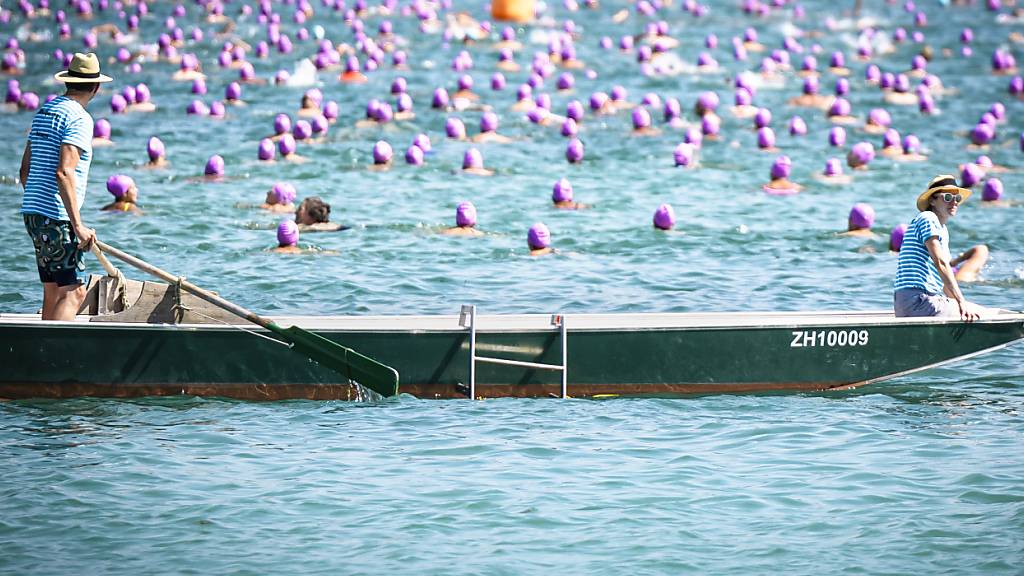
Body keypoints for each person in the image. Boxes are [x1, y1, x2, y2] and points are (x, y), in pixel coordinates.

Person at [19, 52, 111, 321]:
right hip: (55, 216)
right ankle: (51, 357)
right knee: (74, 293)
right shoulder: (80, 119)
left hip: (32, 211)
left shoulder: (44, 111)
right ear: (96, 87)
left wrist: (39, 205)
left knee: (52, 289)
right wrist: (77, 225)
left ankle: (42, 353)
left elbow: (25, 170)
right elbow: (64, 171)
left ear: (68, 82)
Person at [893, 175, 988, 320]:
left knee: (976, 311)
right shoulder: (928, 218)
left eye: (957, 199)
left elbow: (944, 281)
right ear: (932, 200)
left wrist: (960, 303)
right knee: (982, 314)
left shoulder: (942, 229)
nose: (954, 202)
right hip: (918, 300)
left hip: (918, 301)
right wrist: (961, 302)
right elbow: (941, 263)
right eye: (948, 197)